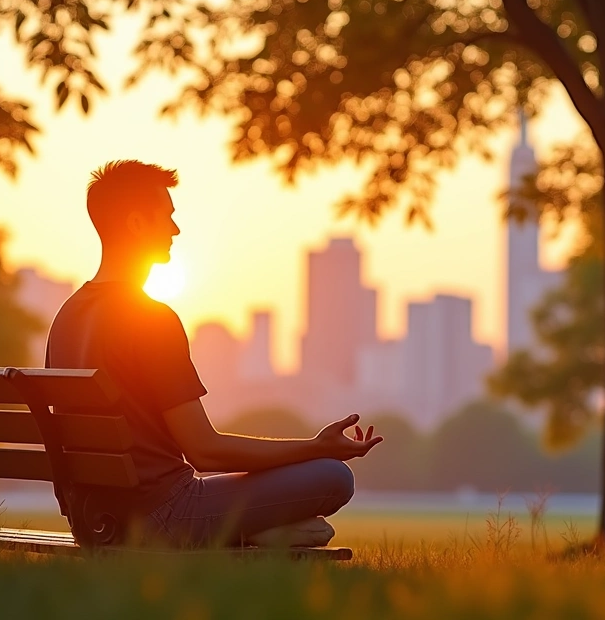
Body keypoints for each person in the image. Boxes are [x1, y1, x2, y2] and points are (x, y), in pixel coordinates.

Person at [45, 160, 382, 548]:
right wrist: (315, 448)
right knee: (334, 476)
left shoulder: (66, 317)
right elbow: (205, 450)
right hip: (163, 516)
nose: (175, 229)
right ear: (136, 224)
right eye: (166, 216)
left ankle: (250, 532)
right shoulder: (149, 318)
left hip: (95, 523)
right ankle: (253, 534)